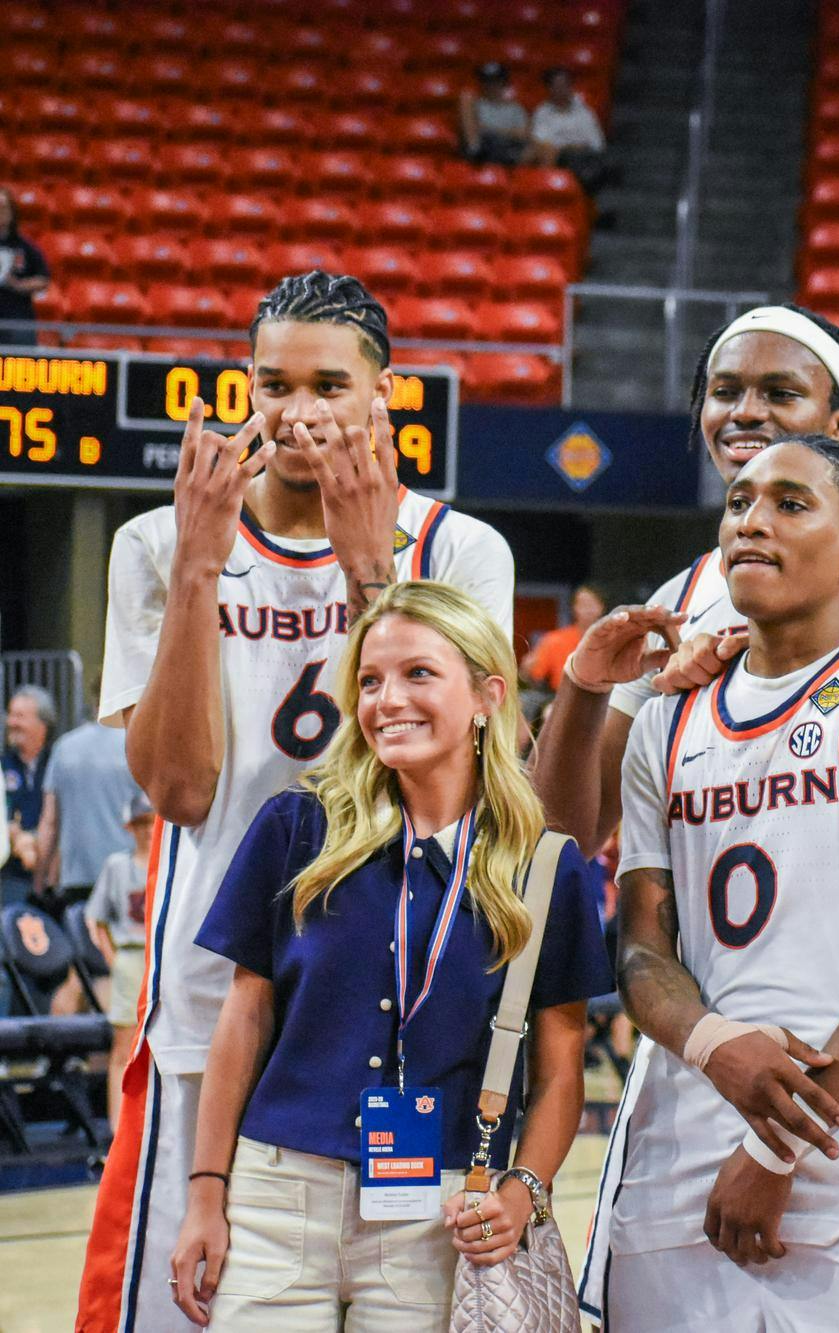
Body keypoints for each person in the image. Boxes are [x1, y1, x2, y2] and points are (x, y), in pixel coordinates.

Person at [78, 271, 514, 1333]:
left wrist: (371, 568)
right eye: (274, 383)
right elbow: (179, 789)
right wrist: (196, 567)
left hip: (398, 1011)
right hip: (212, 993)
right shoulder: (158, 540)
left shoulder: (458, 549)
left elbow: (447, 780)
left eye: (331, 384)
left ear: (385, 394)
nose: (300, 410)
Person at [576, 437, 839, 1329]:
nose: (753, 520)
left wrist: (775, 1143)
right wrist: (716, 1039)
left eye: (792, 503)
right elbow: (643, 945)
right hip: (670, 1171)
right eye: (739, 503)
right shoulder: (666, 723)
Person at [166, 581, 608, 1328]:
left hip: (438, 1215)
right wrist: (206, 1193)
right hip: (276, 1198)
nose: (386, 699)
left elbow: (562, 1064)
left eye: (418, 674)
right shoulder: (298, 827)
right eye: (369, 680)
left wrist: (523, 1186)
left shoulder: (543, 866)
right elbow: (242, 1020)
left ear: (486, 695)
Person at [530, 304, 839, 852]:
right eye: (725, 392)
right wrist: (584, 687)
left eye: (781, 394)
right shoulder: (678, 602)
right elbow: (564, 839)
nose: (746, 413)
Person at [86, 794, 157, 1133]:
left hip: (160, 959)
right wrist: (113, 957)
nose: (146, 830)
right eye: (140, 823)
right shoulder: (118, 866)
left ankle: (153, 1122)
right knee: (124, 1044)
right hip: (130, 954)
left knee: (160, 1043)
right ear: (130, 827)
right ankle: (118, 1127)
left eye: (151, 821)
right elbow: (95, 918)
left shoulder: (167, 862)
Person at [35, 692, 143, 910]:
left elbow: (49, 821)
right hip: (128, 878)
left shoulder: (64, 746)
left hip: (76, 878)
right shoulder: (136, 746)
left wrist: (39, 880)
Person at [3, 685, 56, 907]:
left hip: (52, 875)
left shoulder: (57, 761)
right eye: (11, 715)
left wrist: (36, 841)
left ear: (42, 725)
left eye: (20, 716)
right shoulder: (3, 764)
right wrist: (15, 837)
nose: (11, 723)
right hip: (9, 876)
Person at [527, 67, 611, 194]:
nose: (561, 89)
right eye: (556, 85)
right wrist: (565, 147)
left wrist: (574, 147)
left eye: (564, 85)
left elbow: (597, 143)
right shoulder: (542, 112)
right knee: (541, 152)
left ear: (571, 86)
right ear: (549, 88)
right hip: (557, 157)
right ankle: (544, 193)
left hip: (582, 158)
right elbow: (541, 141)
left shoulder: (584, 112)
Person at [521, 583, 607, 691]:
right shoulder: (555, 639)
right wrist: (526, 670)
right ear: (574, 608)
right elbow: (533, 676)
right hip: (562, 698)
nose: (588, 610)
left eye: (592, 604)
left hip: (604, 699)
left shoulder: (613, 640)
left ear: (601, 607)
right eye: (584, 604)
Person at [0, 186, 51, 347]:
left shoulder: (25, 246)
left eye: (4, 208)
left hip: (17, 320)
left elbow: (44, 279)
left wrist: (18, 285)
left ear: (12, 212)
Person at [458, 62, 530, 166]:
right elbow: (471, 127)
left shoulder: (515, 108)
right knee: (466, 97)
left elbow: (523, 135)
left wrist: (490, 129)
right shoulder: (473, 103)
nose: (490, 85)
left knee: (529, 150)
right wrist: (507, 132)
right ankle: (475, 151)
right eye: (486, 81)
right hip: (484, 145)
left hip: (507, 147)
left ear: (503, 83)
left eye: (495, 81)